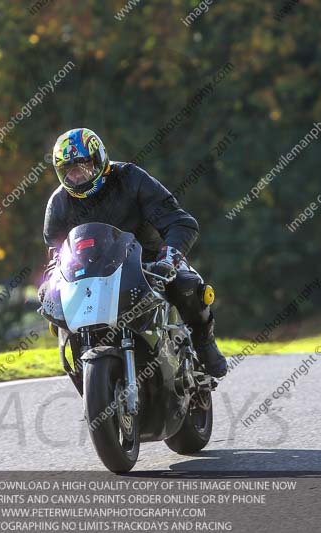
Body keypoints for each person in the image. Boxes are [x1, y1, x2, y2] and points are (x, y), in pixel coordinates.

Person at [41, 127, 227, 377]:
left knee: (188, 284)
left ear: (100, 159)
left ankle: (204, 344)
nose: (78, 176)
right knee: (58, 315)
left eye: (84, 165)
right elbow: (57, 251)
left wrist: (168, 260)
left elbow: (180, 221)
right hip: (92, 276)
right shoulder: (59, 202)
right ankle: (87, 375)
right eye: (70, 171)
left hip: (148, 262)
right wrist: (52, 279)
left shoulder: (131, 179)